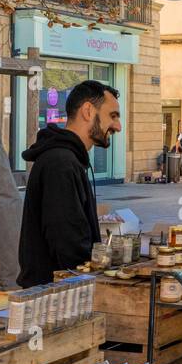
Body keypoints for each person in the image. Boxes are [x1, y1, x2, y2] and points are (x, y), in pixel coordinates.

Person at [18, 79, 121, 287]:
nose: (118, 126)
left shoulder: (69, 159)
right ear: (88, 111)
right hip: (52, 298)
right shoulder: (60, 163)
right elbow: (68, 243)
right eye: (113, 116)